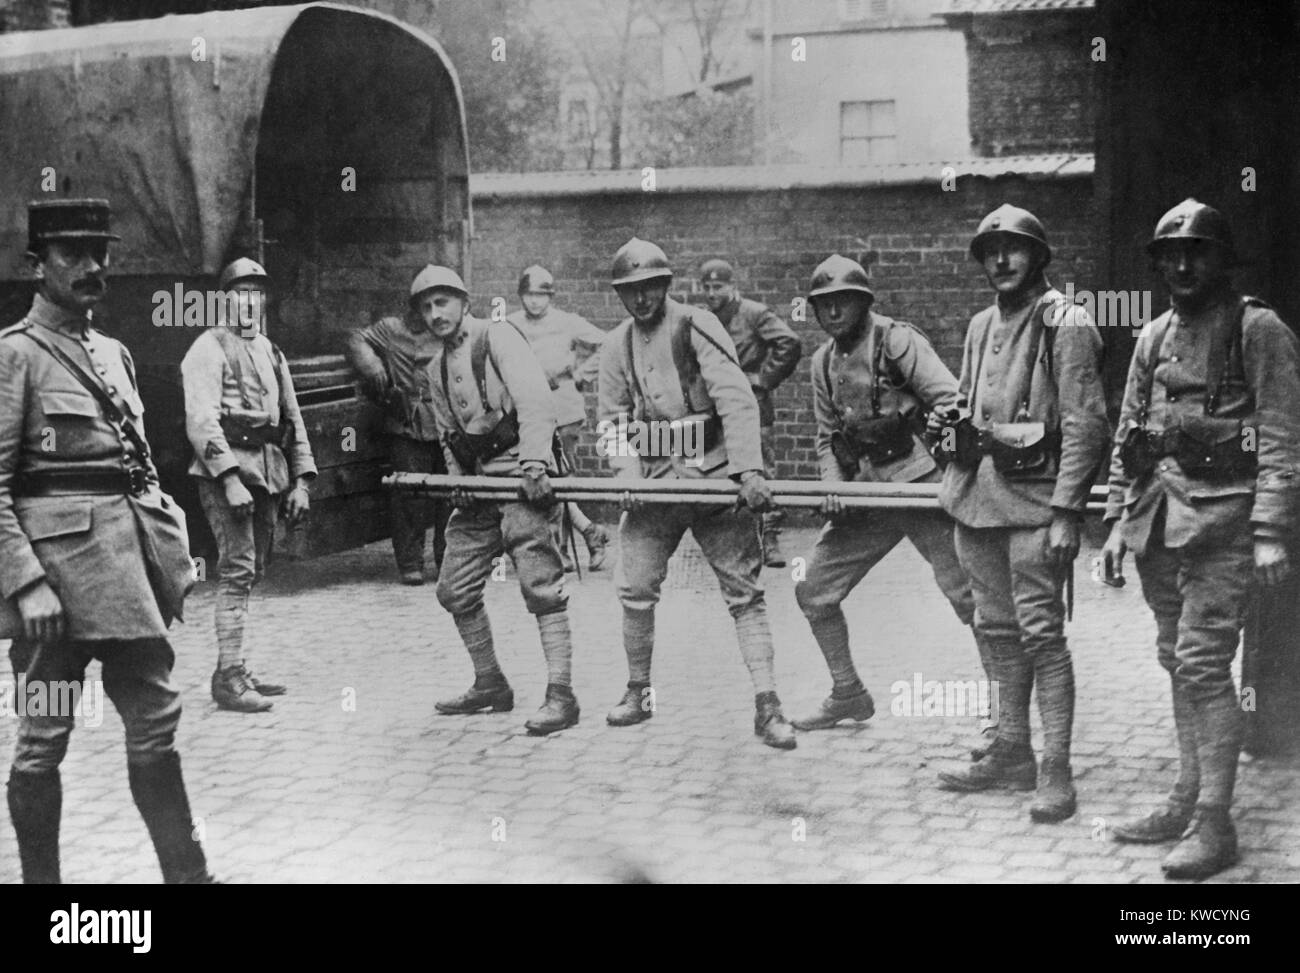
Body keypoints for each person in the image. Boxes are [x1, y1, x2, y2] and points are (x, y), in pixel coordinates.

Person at [2, 198, 215, 883]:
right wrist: (25, 582)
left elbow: (139, 467)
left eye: (100, 253)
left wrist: (165, 549)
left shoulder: (114, 353)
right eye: (72, 255)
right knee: (42, 740)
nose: (92, 267)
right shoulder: (16, 357)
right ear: (38, 266)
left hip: (125, 583)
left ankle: (188, 877)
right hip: (53, 595)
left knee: (155, 720)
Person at [1101, 199, 1300, 878]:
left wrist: (1271, 529)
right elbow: (1129, 434)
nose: (1183, 265)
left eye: (1198, 253)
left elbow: (1280, 436)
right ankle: (1185, 797)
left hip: (1226, 526)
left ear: (1223, 260)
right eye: (1169, 255)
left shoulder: (1259, 328)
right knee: (1174, 658)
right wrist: (1114, 523)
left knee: (1203, 664)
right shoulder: (1151, 335)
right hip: (1160, 520)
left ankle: (1216, 822)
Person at [932, 204, 1109, 823]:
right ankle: (1011, 750)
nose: (1001, 260)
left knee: (1042, 638)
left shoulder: (1068, 321)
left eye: (1013, 248)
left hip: (1035, 507)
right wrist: (948, 426)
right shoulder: (982, 324)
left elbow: (1088, 424)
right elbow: (964, 400)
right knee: (996, 632)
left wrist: (1067, 514)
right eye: (990, 250)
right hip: (975, 503)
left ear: (1038, 256)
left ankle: (1056, 768)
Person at [597, 237, 796, 750]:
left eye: (650, 288)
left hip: (714, 475)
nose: (641, 300)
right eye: (630, 292)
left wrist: (749, 471)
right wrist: (626, 476)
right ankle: (638, 691)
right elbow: (612, 420)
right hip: (658, 481)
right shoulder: (616, 343)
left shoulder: (696, 324)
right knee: (634, 586)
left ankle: (768, 705)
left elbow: (735, 396)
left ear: (665, 285)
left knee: (744, 594)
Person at [791, 255, 993, 753]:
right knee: (813, 590)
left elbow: (951, 400)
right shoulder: (822, 362)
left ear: (863, 302)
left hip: (923, 489)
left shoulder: (896, 340)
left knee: (971, 599)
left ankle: (1003, 714)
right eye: (824, 305)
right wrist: (832, 486)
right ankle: (847, 692)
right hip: (869, 494)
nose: (834, 312)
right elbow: (825, 437)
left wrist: (948, 472)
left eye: (844, 301)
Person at [420, 265, 579, 735]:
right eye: (427, 307)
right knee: (454, 588)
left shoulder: (498, 339)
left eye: (443, 302)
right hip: (480, 490)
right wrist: (457, 484)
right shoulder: (434, 370)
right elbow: (448, 435)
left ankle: (562, 695)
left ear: (463, 302)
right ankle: (490, 683)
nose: (436, 314)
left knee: (541, 586)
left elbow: (535, 402)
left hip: (521, 481)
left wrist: (534, 467)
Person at [181, 258, 316, 713]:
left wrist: (301, 481)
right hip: (230, 476)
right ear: (224, 299)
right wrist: (229, 479)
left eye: (257, 294)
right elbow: (201, 422)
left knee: (253, 570)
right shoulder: (207, 347)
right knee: (237, 571)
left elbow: (292, 421)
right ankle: (230, 677)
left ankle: (235, 664)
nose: (249, 302)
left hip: (269, 472)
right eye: (240, 293)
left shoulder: (271, 351)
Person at [698, 258, 803, 567]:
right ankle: (733, 539)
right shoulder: (703, 319)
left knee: (761, 471)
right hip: (717, 409)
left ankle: (769, 538)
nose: (712, 293)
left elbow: (789, 342)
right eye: (707, 287)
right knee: (720, 468)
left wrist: (764, 378)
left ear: (733, 286)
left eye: (718, 286)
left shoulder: (753, 313)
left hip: (753, 406)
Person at [506, 264, 609, 571]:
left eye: (541, 294)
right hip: (529, 411)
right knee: (542, 477)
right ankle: (590, 532)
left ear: (551, 296)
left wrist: (581, 374)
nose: (535, 301)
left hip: (563, 405)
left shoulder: (567, 322)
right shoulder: (509, 324)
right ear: (521, 296)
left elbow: (608, 343)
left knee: (560, 479)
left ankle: (561, 549)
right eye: (529, 294)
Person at [345, 291, 450, 585]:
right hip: (406, 421)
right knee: (407, 496)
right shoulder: (391, 329)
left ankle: (447, 562)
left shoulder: (447, 328)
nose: (425, 314)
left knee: (450, 495)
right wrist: (372, 364)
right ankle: (410, 562)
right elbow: (355, 338)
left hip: (447, 421)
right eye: (419, 305)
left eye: (432, 306)